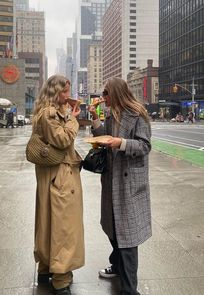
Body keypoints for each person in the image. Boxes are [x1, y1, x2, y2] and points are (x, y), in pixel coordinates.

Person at [88, 77, 152, 295]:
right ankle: (116, 266)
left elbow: (145, 146)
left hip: (129, 183)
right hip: (111, 180)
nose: (102, 97)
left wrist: (120, 143)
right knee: (113, 230)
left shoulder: (138, 114)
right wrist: (95, 118)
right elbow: (102, 136)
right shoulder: (111, 114)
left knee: (128, 237)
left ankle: (129, 290)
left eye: (106, 93)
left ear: (115, 93)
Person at [32, 75, 84, 295]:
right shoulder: (50, 114)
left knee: (48, 222)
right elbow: (62, 140)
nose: (67, 95)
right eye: (64, 91)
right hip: (60, 176)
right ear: (54, 92)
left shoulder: (45, 112)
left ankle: (45, 269)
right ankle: (61, 277)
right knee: (64, 227)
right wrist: (73, 119)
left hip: (50, 176)